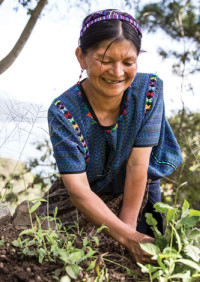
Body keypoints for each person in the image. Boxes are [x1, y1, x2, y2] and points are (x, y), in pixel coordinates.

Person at [41, 9, 182, 264]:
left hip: (137, 188)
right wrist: (126, 238)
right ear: (81, 57)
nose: (117, 72)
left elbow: (138, 165)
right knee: (63, 248)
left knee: (153, 253)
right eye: (105, 60)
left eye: (128, 62)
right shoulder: (62, 111)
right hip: (89, 193)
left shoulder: (149, 92)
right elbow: (78, 188)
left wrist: (128, 235)